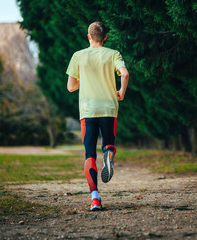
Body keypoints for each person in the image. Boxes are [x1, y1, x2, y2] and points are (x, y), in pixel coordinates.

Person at [66, 22, 129, 211]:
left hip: (88, 111)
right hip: (109, 108)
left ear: (88, 36)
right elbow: (124, 74)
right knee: (108, 143)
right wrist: (122, 92)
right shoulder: (113, 54)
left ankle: (95, 198)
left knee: (89, 154)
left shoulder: (78, 56)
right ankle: (109, 151)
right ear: (106, 38)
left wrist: (84, 79)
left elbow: (70, 87)